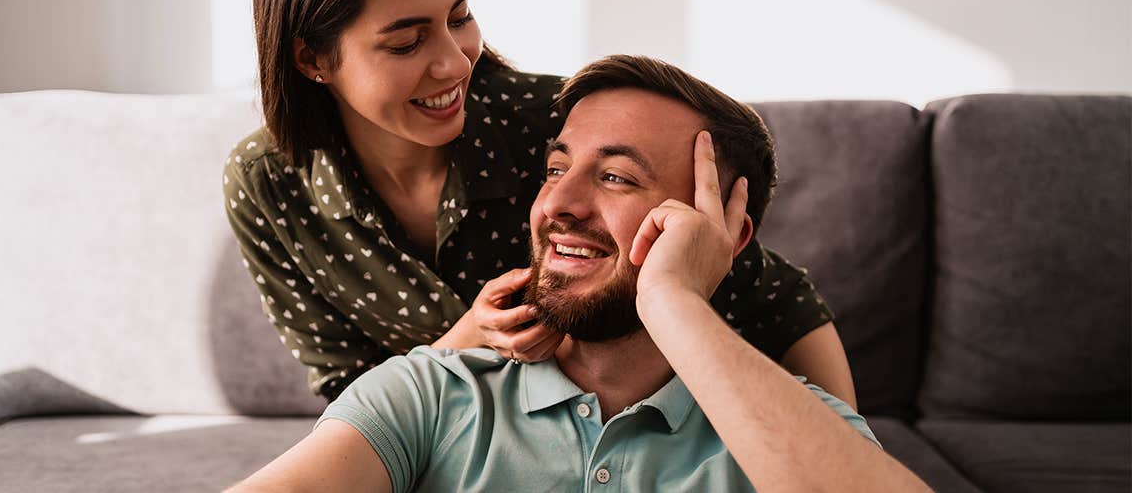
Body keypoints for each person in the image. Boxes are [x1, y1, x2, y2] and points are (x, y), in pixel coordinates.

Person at [223, 0, 856, 407]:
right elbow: (346, 394)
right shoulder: (268, 184)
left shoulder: (562, 125)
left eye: (460, 16)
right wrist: (466, 341)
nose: (453, 62)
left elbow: (779, 302)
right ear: (311, 58)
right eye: (405, 43)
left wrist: (844, 450)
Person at [227, 56, 930, 492]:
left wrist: (672, 300)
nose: (556, 204)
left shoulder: (790, 433)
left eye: (617, 176)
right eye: (556, 168)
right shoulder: (430, 393)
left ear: (725, 234)